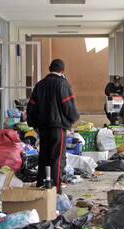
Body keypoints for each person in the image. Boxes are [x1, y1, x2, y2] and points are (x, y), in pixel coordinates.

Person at [26, 59, 79, 193]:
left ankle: (41, 184)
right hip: (58, 127)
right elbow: (68, 105)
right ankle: (55, 188)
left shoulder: (40, 85)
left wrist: (33, 124)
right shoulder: (63, 84)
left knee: (44, 156)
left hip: (43, 127)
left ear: (49, 69)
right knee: (57, 157)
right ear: (63, 70)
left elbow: (31, 106)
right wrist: (74, 118)